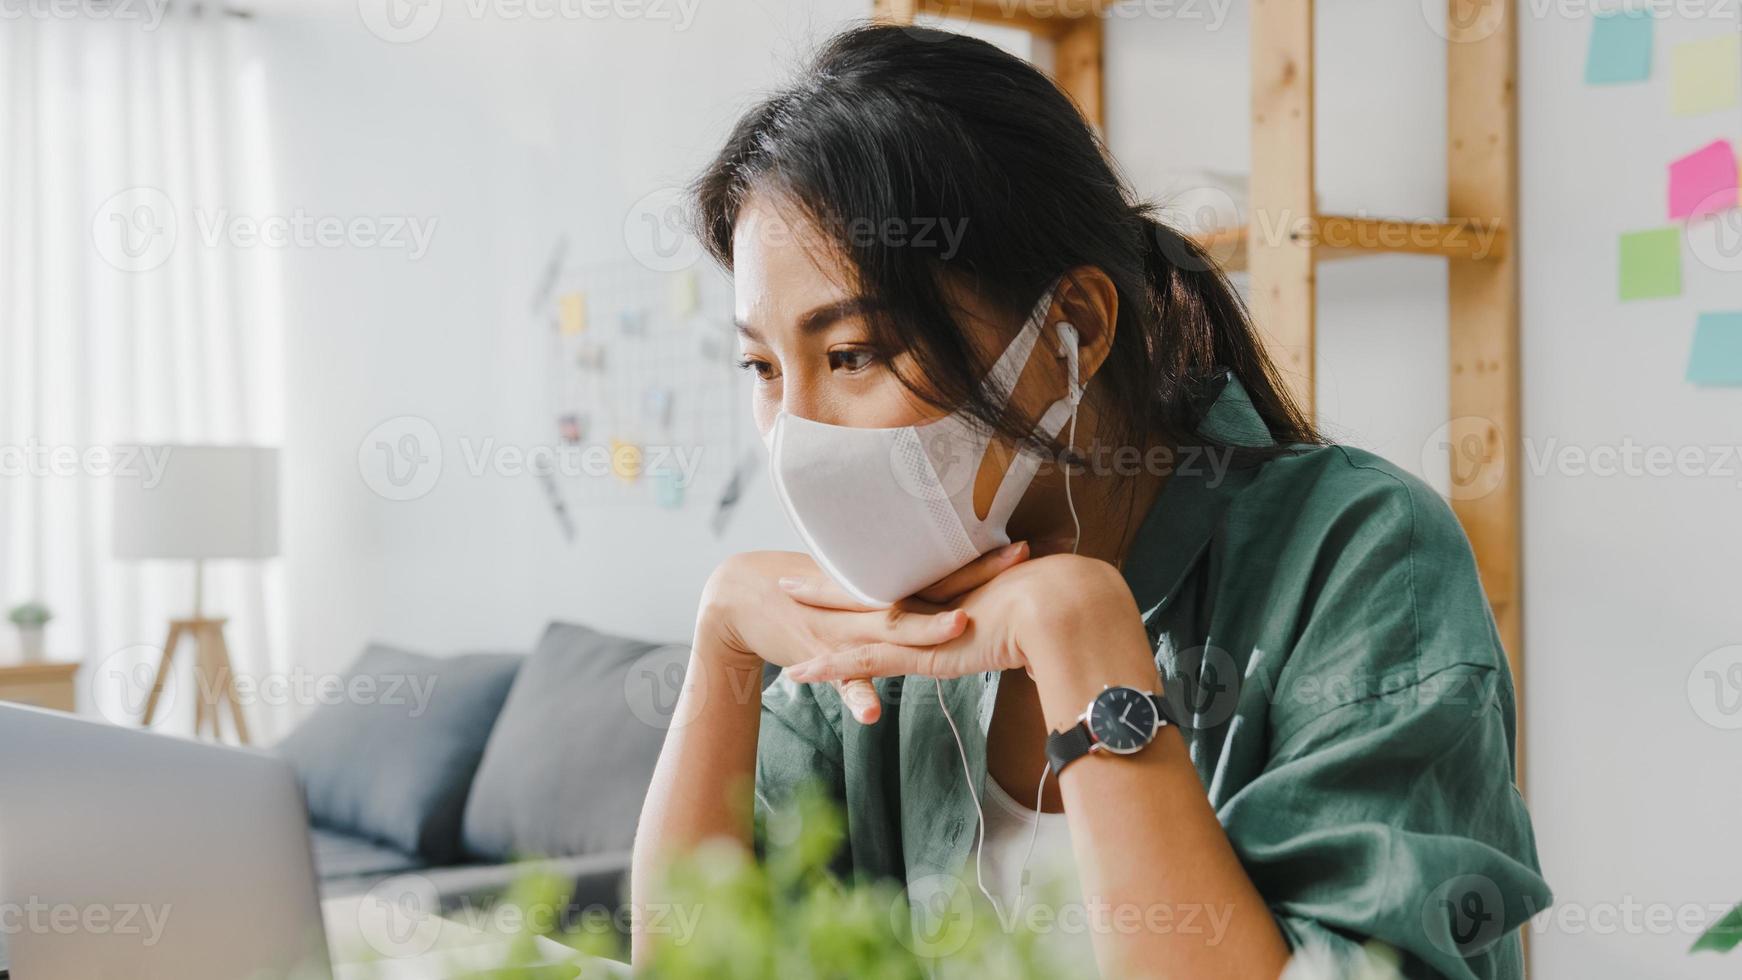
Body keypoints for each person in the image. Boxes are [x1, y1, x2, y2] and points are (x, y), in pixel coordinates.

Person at [633, 23, 1548, 980]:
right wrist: (720, 646)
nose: (797, 431)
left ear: (1073, 325)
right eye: (763, 366)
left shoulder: (1363, 555)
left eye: (854, 354)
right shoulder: (888, 610)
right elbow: (691, 964)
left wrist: (1083, 640)